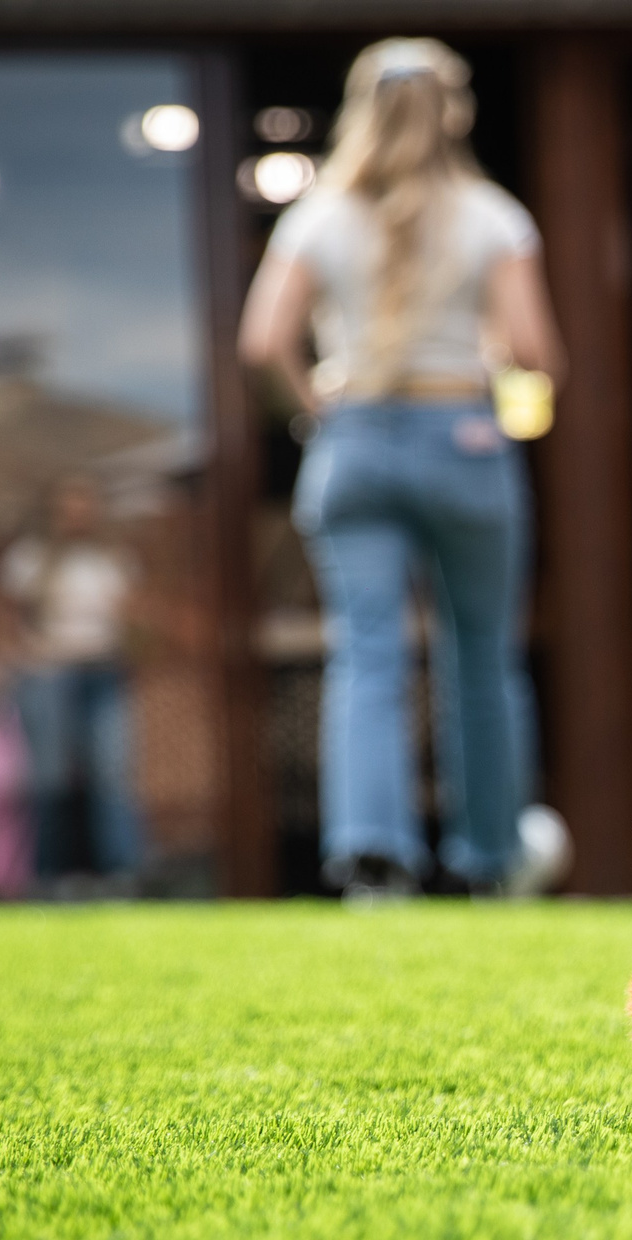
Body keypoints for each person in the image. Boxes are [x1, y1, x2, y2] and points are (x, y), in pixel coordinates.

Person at [239, 37, 568, 899]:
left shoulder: (316, 216)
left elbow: (262, 341)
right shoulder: (494, 216)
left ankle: (372, 857)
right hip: (462, 434)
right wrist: (502, 374)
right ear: (455, 111)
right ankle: (492, 857)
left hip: (351, 439)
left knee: (367, 654)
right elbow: (536, 353)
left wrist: (314, 402)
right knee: (482, 657)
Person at [0, 474, 147, 889]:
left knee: (112, 774)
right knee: (51, 777)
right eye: (69, 506)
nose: (78, 515)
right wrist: (23, 656)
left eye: (85, 505)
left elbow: (137, 618)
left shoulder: (112, 559)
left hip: (104, 671)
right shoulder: (30, 559)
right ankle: (51, 876)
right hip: (49, 676)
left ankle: (120, 875)